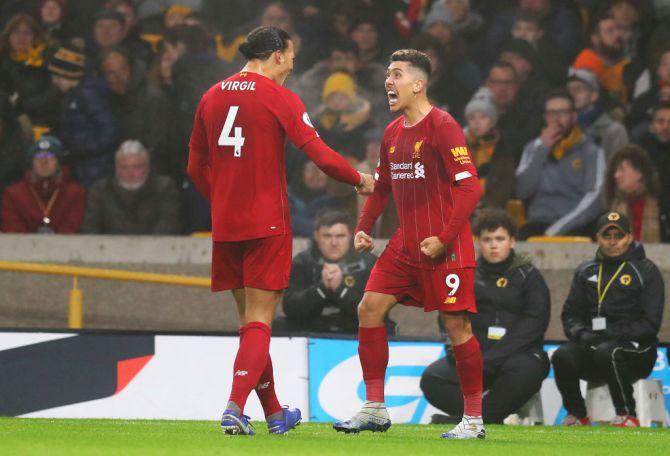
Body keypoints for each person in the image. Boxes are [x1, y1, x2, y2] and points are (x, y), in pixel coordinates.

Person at [186, 26, 374, 436]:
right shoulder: (278, 97)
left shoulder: (211, 95)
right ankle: (234, 407)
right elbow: (320, 155)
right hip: (266, 222)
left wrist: (221, 200)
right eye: (290, 57)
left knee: (251, 325)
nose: (292, 64)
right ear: (274, 55)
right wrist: (358, 178)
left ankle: (274, 413)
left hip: (227, 224)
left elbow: (194, 167)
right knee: (260, 320)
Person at [333, 49, 484, 439]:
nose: (388, 81)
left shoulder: (443, 126)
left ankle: (473, 420)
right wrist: (364, 226)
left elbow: (470, 187)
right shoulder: (392, 132)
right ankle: (375, 408)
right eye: (387, 73)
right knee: (369, 307)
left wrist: (445, 237)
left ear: (418, 84)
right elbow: (381, 187)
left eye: (396, 74)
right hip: (405, 246)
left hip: (445, 246)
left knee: (457, 325)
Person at [421, 208, 550, 424]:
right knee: (432, 379)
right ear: (478, 242)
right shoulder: (464, 274)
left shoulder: (529, 276)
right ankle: (486, 416)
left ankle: (473, 418)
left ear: (512, 241)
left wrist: (495, 356)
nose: (493, 245)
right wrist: (456, 350)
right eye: (487, 239)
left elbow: (535, 323)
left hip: (517, 355)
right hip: (474, 355)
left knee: (529, 369)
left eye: (500, 238)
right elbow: (447, 316)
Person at [551, 211, 664, 427]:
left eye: (618, 236)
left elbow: (651, 323)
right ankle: (577, 415)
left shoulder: (646, 271)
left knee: (608, 351)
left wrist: (611, 334)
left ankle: (627, 415)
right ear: (597, 238)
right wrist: (583, 335)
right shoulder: (586, 270)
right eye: (607, 236)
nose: (612, 242)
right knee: (561, 355)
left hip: (637, 352)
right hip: (595, 346)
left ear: (630, 237)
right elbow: (570, 314)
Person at [516, 89, 605, 239]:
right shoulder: (533, 147)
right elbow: (522, 190)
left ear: (574, 116)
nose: (556, 119)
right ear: (545, 117)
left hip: (577, 225)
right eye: (551, 113)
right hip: (538, 222)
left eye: (562, 112)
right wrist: (542, 149)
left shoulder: (591, 151)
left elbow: (595, 198)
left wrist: (558, 229)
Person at [275, 209, 381, 335]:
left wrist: (340, 289)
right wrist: (321, 288)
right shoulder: (303, 262)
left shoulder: (369, 263)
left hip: (354, 330)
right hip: (311, 329)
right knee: (279, 325)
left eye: (340, 236)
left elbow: (376, 310)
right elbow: (290, 308)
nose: (334, 243)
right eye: (327, 236)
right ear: (316, 236)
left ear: (351, 236)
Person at [81, 140, 181, 235]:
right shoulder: (100, 191)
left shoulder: (165, 188)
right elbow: (90, 230)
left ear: (148, 167)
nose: (130, 173)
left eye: (137, 167)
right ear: (116, 168)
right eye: (124, 167)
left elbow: (168, 226)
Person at [1, 135, 85, 233]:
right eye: (38, 156)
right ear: (31, 163)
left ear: (59, 162)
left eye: (50, 156)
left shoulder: (76, 193)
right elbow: (12, 228)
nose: (44, 161)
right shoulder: (13, 194)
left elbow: (73, 227)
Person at [463, 95, 516, 209]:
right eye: (472, 118)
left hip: (492, 208)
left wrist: (485, 205)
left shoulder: (503, 150)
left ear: (492, 122)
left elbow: (506, 184)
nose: (477, 122)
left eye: (483, 117)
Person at [603, 145, 663, 243]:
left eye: (622, 169)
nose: (616, 175)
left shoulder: (660, 206)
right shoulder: (612, 209)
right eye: (615, 171)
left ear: (639, 173)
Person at [567, 68, 628, 161]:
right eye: (569, 89)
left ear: (593, 96)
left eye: (579, 89)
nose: (573, 94)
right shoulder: (563, 127)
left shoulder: (614, 131)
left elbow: (618, 168)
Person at [573, 14, 629, 105]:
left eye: (619, 29)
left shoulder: (625, 62)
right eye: (610, 31)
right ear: (595, 39)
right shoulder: (587, 60)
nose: (617, 35)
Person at [636, 103, 670, 241]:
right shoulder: (638, 154)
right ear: (651, 125)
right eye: (661, 121)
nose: (666, 127)